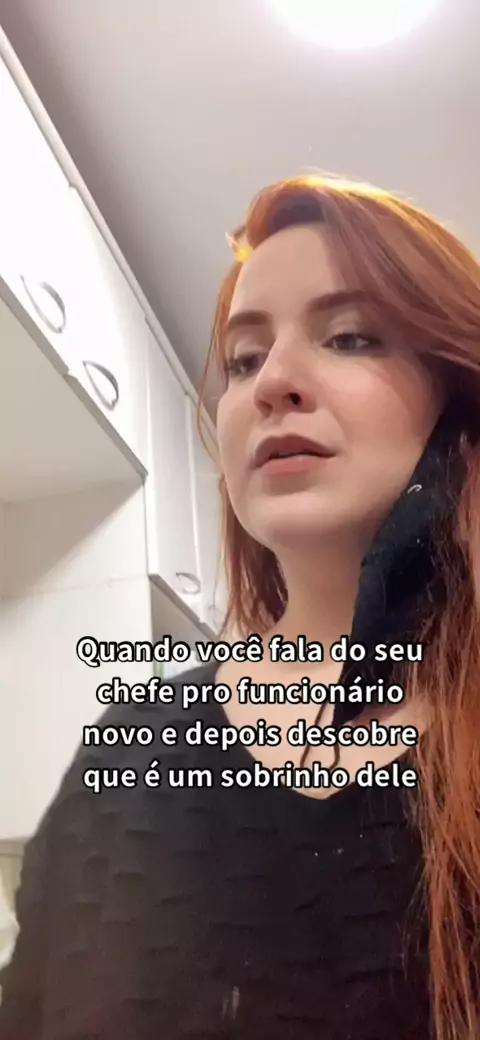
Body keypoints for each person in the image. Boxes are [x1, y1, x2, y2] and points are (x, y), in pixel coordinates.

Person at [1, 175, 480, 1040]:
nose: (274, 383)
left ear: (459, 397)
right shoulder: (128, 752)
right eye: (245, 358)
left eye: (350, 336)